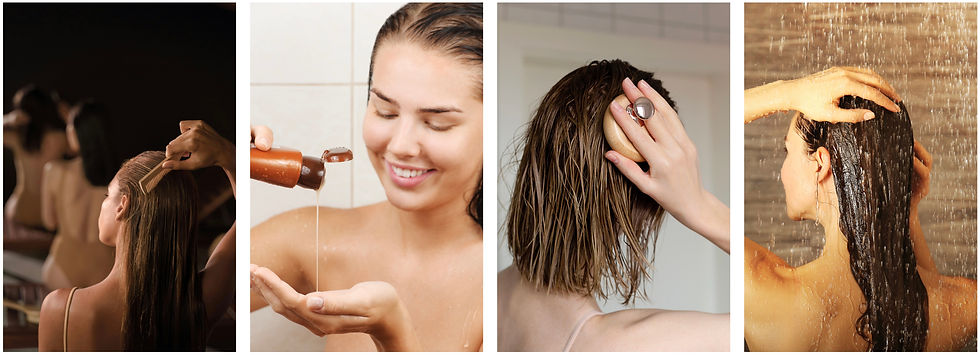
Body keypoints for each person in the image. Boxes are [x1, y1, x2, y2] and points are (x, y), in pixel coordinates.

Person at [249, 3, 483, 351]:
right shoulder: (318, 239)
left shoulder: (502, 285)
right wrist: (230, 163)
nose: (400, 146)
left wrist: (394, 333)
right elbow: (174, 302)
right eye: (385, 111)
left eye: (437, 123)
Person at [497, 60, 730, 351]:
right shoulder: (626, 343)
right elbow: (794, 322)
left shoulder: (486, 291)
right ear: (648, 200)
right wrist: (698, 205)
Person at [743, 67, 977, 351]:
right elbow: (924, 302)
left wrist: (791, 91)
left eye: (787, 151)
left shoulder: (766, 289)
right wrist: (906, 215)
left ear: (820, 163)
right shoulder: (960, 304)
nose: (782, 172)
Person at [37, 120, 236, 351]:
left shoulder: (62, 310)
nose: (103, 203)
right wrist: (225, 153)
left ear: (123, 205)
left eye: (106, 195)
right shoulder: (202, 301)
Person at [40, 101, 118, 290]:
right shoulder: (122, 178)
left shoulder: (53, 170)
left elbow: (49, 222)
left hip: (62, 268)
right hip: (104, 273)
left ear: (77, 133)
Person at [3, 85, 69, 229]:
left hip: (21, 210)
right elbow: (83, 143)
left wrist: (8, 119)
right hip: (51, 213)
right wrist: (68, 117)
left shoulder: (17, 139)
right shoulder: (60, 138)